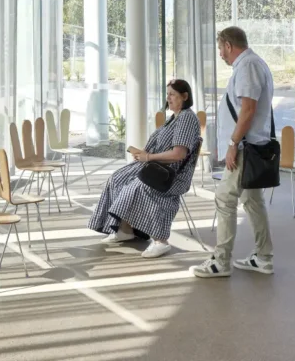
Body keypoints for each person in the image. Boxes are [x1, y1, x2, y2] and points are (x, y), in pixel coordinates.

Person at [191, 26, 275, 278]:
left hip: (243, 148)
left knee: (225, 198)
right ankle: (263, 257)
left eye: (220, 48)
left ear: (228, 45)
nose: (220, 54)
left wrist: (232, 144)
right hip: (250, 146)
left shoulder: (247, 66)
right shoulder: (253, 64)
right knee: (251, 200)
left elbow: (248, 109)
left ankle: (221, 261)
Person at [89, 79, 201, 259]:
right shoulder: (175, 117)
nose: (168, 98)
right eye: (168, 94)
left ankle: (161, 241)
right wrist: (143, 154)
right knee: (117, 178)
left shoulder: (187, 118)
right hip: (157, 167)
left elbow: (178, 154)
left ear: (185, 96)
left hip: (171, 175)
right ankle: (125, 229)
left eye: (172, 94)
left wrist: (148, 157)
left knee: (139, 186)